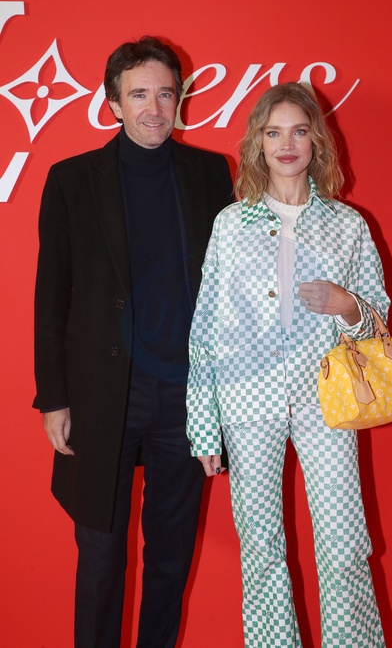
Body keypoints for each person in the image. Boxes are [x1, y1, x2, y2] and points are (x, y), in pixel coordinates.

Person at [33, 36, 233, 648]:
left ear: (180, 99)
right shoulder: (71, 180)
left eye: (165, 94)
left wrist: (225, 396)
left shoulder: (210, 174)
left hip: (184, 397)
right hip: (102, 395)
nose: (154, 108)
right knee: (100, 557)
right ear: (113, 104)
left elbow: (229, 290)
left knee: (171, 559)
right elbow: (50, 295)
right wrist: (54, 398)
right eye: (139, 94)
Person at [187, 82, 388, 647]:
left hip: (326, 400)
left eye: (299, 131)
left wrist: (347, 305)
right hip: (247, 401)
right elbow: (205, 327)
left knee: (345, 545)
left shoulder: (347, 225)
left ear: (316, 140)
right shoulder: (231, 224)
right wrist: (203, 425)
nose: (287, 144)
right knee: (261, 548)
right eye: (273, 132)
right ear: (258, 143)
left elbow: (378, 325)